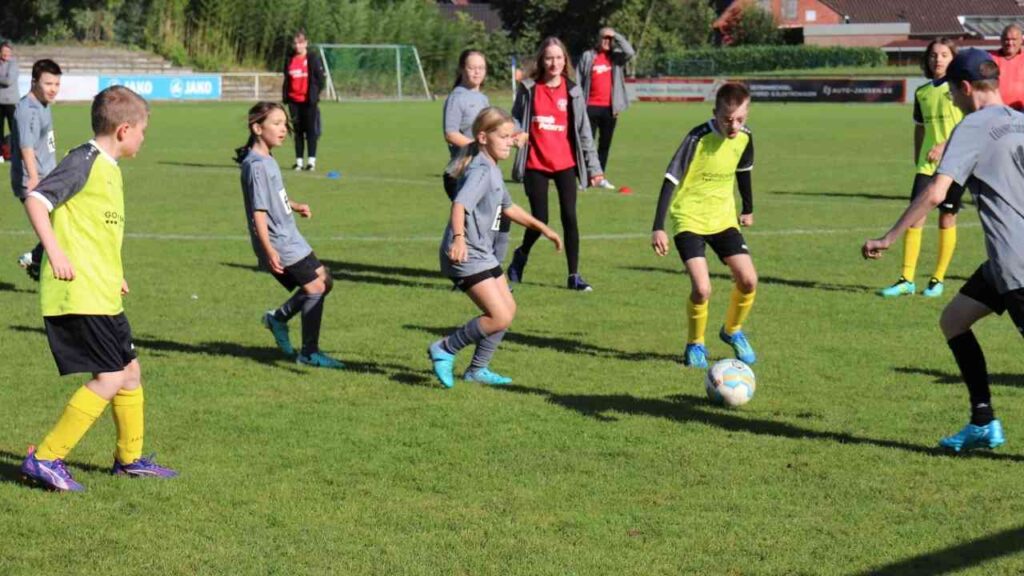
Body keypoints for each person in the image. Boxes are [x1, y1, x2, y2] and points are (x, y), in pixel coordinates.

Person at [863, 49, 1022, 452]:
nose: (951, 99)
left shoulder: (972, 125)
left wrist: (889, 237)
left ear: (966, 87)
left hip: (1016, 265)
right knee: (954, 320)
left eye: (952, 92)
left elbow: (936, 191)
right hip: (1001, 264)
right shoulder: (1020, 122)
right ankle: (983, 421)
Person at [19, 86, 177, 492]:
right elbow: (36, 199)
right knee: (109, 378)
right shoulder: (83, 160)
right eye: (142, 130)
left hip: (101, 290)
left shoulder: (108, 167)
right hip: (78, 292)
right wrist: (52, 253)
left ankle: (129, 460)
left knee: (129, 374)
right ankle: (47, 457)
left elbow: (95, 231)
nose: (144, 137)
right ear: (124, 129)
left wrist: (115, 272)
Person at [428, 107, 563, 388]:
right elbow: (459, 204)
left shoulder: (491, 167)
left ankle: (477, 370)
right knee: (498, 315)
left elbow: (508, 207)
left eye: (511, 136)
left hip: (481, 252)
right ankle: (445, 348)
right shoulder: (480, 170)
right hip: (465, 255)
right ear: (483, 137)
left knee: (508, 310)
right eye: (503, 137)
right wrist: (459, 239)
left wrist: (544, 228)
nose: (510, 142)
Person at [650, 82, 758, 369]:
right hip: (689, 219)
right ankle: (695, 344)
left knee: (749, 280)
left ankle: (732, 331)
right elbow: (670, 179)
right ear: (715, 113)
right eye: (726, 119)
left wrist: (747, 208)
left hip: (723, 219)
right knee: (702, 289)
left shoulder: (745, 138)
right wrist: (658, 226)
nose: (733, 125)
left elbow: (743, 170)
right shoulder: (697, 138)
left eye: (740, 119)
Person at [236, 101, 344, 369]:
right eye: (276, 123)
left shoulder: (266, 159)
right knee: (315, 287)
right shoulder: (256, 166)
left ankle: (278, 318)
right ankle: (309, 352)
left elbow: (272, 198)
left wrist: (293, 205)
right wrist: (269, 249)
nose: (284, 129)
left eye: (284, 124)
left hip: (290, 234)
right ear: (257, 128)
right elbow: (258, 212)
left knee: (324, 281)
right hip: (279, 241)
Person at [508, 37, 605, 292]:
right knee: (540, 218)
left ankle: (574, 275)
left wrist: (594, 168)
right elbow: (515, 118)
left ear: (565, 61)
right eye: (549, 58)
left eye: (559, 57)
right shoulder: (528, 88)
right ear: (542, 60)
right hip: (534, 163)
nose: (554, 62)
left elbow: (584, 132)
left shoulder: (573, 91)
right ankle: (521, 255)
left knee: (570, 217)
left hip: (565, 164)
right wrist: (516, 133)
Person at [879, 38, 965, 299]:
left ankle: (937, 279)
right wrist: (918, 157)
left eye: (944, 55)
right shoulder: (922, 92)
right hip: (927, 165)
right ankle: (907, 279)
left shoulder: (959, 89)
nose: (937, 59)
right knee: (915, 217)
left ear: (953, 59)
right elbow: (919, 127)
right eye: (933, 55)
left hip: (956, 162)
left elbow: (969, 123)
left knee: (947, 217)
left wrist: (943, 144)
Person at [442, 50, 511, 264]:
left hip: (485, 171)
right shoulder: (457, 97)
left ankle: (494, 269)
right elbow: (450, 133)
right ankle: (465, 271)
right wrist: (479, 145)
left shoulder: (482, 98)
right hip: (463, 172)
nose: (477, 72)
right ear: (463, 69)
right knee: (471, 226)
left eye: (481, 68)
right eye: (472, 68)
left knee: (500, 220)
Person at [11, 59, 62, 282]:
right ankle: (35, 259)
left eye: (57, 84)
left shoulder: (42, 103)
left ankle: (36, 259)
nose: (53, 89)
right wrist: (33, 177)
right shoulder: (28, 111)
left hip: (47, 176)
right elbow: (26, 146)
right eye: (48, 83)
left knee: (60, 225)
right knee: (57, 228)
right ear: (34, 82)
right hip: (35, 180)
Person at [576, 27, 635, 187]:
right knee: (586, 144)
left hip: (609, 109)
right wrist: (579, 105)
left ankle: (600, 177)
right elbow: (578, 80)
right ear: (598, 39)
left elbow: (630, 52)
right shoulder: (588, 56)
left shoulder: (616, 58)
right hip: (589, 107)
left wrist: (616, 34)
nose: (606, 41)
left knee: (604, 145)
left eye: (609, 39)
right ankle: (585, 177)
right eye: (604, 38)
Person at [282, 30, 326, 172]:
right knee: (298, 132)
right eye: (295, 43)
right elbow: (287, 78)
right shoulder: (289, 59)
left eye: (300, 43)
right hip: (294, 101)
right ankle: (299, 162)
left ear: (306, 43)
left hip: (309, 101)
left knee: (311, 131)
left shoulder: (313, 58)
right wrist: (286, 95)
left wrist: (314, 94)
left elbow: (321, 80)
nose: (297, 46)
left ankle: (311, 162)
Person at [990, 24, 1024, 111]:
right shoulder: (990, 58)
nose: (1010, 43)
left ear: (1021, 40)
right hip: (997, 110)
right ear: (1001, 40)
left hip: (1021, 111)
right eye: (1007, 39)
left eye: (1014, 39)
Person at [0, 41, 18, 163]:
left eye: (8, 51)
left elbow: (8, 81)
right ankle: (1, 154)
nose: (6, 54)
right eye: (4, 51)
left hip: (11, 102)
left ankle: (16, 154)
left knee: (15, 129)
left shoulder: (13, 64)